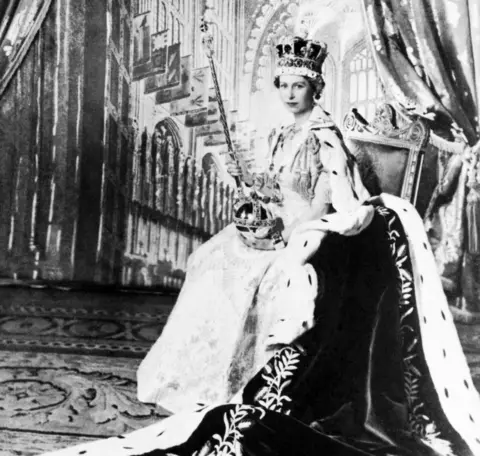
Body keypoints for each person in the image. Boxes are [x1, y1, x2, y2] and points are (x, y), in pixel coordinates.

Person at [41, 36, 480, 456]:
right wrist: (255, 203)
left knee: (264, 275)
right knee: (210, 258)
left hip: (307, 229)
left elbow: (323, 204)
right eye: (285, 85)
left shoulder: (324, 137)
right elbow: (272, 189)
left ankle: (244, 382)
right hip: (276, 223)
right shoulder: (280, 133)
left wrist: (282, 234)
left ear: (316, 88)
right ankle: (199, 380)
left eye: (300, 86)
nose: (291, 94)